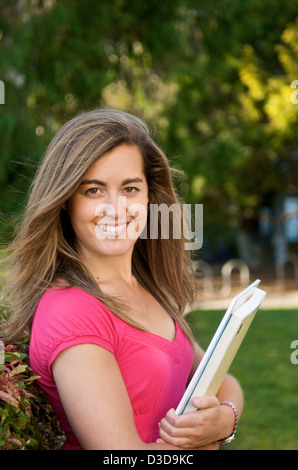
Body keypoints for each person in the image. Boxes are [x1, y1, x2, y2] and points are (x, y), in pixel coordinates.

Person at [1, 108, 243, 450]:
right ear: (65, 201)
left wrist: (226, 418)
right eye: (93, 191)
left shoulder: (147, 288)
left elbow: (224, 381)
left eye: (130, 188)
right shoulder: (73, 313)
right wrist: (208, 442)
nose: (116, 208)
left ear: (150, 197)